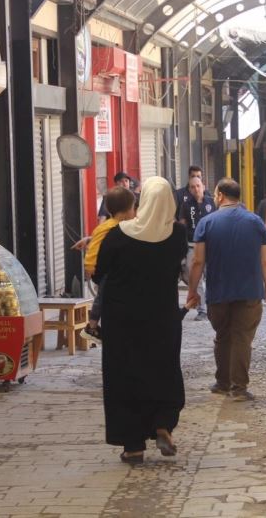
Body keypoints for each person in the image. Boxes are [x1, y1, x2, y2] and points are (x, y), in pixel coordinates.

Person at [94, 176, 187, 464]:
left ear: (142, 200)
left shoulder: (118, 234)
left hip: (122, 320)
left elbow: (99, 274)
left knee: (125, 376)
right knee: (163, 370)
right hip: (162, 317)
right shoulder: (177, 235)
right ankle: (162, 423)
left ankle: (133, 445)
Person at [188, 178, 266, 402]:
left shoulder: (206, 223)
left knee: (223, 336)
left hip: (218, 291)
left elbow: (198, 261)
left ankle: (223, 382)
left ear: (219, 196)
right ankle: (239, 388)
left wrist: (192, 290)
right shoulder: (256, 222)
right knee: (242, 339)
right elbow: (265, 261)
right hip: (250, 291)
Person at [80, 186, 137, 345]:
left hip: (102, 269)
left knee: (102, 297)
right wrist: (90, 266)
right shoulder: (111, 227)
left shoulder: (113, 226)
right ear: (126, 211)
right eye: (133, 208)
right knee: (102, 297)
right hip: (101, 269)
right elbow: (95, 248)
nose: (135, 212)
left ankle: (93, 327)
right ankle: (91, 327)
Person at [178, 176, 216, 318]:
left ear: (203, 186)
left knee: (212, 276)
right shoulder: (186, 205)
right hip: (192, 245)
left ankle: (213, 306)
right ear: (189, 189)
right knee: (195, 277)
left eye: (198, 186)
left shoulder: (211, 203)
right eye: (193, 187)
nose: (196, 189)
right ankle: (202, 310)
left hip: (210, 246)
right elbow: (182, 225)